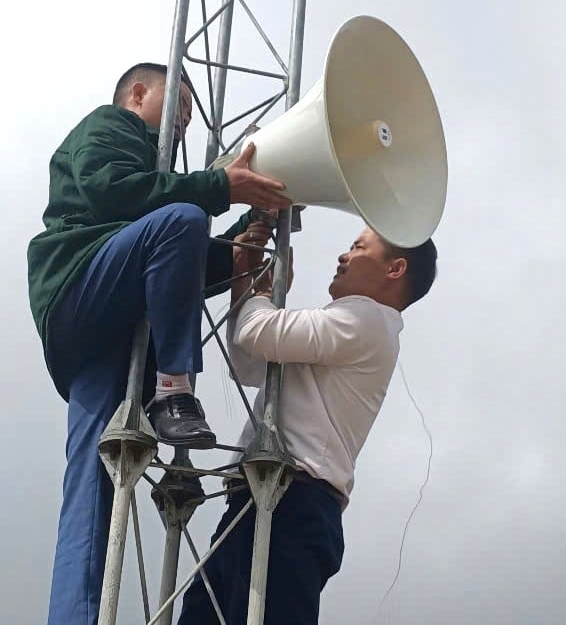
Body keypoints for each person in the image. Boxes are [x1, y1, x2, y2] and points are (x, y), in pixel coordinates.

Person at [26, 62, 291, 625]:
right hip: (80, 284)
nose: (178, 130)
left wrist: (246, 240)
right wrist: (219, 187)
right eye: (177, 113)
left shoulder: (156, 179)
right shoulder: (110, 127)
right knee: (184, 217)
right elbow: (114, 195)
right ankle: (175, 389)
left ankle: (71, 615)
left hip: (103, 329)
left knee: (92, 481)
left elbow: (174, 259)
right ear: (138, 93)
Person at [177, 225, 438, 625]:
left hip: (290, 501)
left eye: (358, 247)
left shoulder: (369, 319)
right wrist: (247, 284)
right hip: (269, 497)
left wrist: (259, 290)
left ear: (395, 269)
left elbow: (256, 332)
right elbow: (250, 362)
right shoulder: (352, 327)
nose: (344, 256)